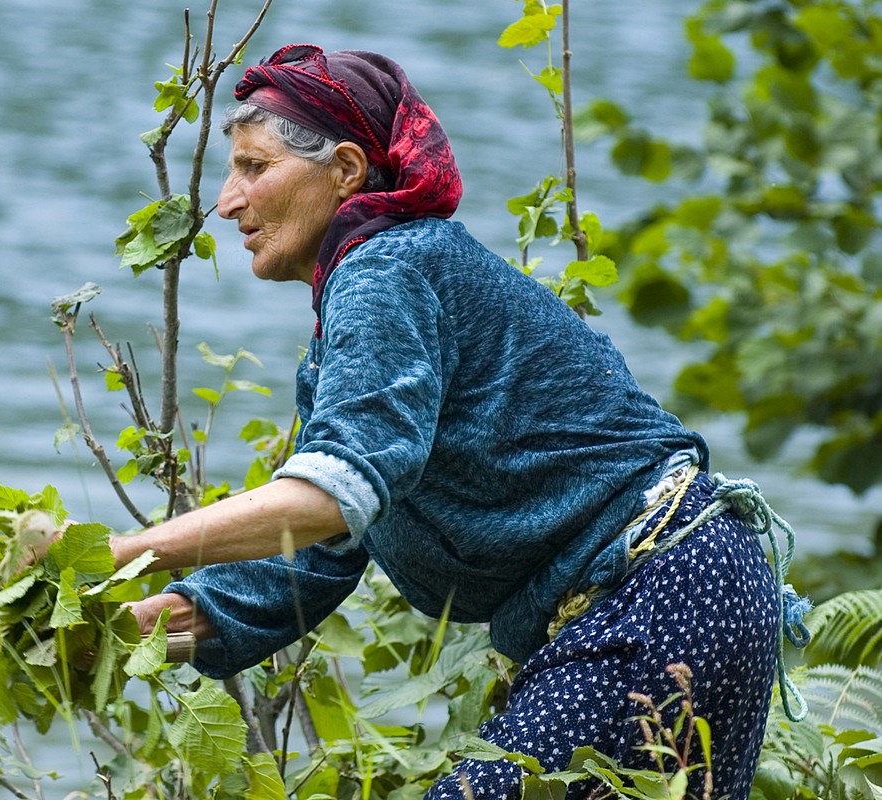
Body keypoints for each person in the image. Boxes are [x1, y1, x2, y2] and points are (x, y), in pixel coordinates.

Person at [72, 44, 803, 799]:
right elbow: (317, 554)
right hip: (699, 580)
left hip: (659, 589)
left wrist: (120, 553)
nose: (227, 202)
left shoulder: (383, 269)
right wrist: (149, 625)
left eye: (254, 168)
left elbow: (329, 497)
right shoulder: (370, 305)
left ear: (347, 171)